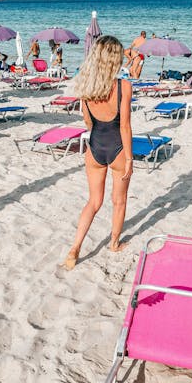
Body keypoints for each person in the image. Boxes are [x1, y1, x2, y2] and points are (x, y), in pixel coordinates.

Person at [63, 36, 133, 270]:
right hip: (118, 148)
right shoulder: (123, 86)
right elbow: (124, 126)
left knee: (93, 202)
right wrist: (130, 159)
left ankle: (74, 249)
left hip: (94, 147)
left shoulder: (86, 88)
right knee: (119, 200)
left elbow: (88, 122)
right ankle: (113, 243)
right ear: (115, 59)